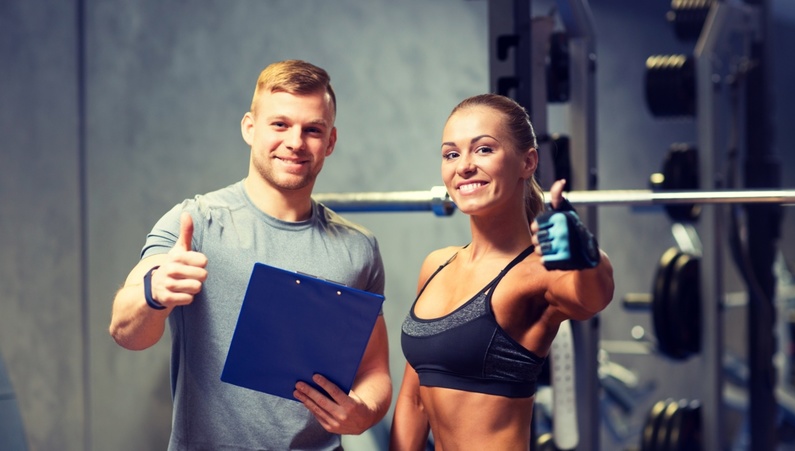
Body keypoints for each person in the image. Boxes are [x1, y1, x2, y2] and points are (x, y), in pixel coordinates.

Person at [109, 59, 392, 450]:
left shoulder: (357, 247)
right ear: (249, 127)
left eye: (312, 129)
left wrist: (365, 410)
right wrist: (153, 291)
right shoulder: (196, 222)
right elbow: (126, 331)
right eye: (280, 124)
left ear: (330, 141)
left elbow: (375, 369)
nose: (295, 142)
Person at [389, 93, 614, 450]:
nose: (463, 166)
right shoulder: (437, 265)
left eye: (483, 150)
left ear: (528, 162)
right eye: (451, 154)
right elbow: (414, 401)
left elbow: (592, 298)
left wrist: (588, 255)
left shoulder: (539, 273)